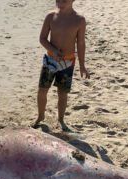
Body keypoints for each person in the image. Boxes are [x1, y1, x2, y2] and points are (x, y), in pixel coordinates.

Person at [33, 0, 90, 131]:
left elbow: (80, 44)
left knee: (63, 93)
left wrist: (82, 65)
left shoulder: (79, 20)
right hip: (50, 61)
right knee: (42, 90)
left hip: (68, 63)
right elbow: (42, 38)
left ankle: (61, 120)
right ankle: (40, 116)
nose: (60, 1)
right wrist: (53, 50)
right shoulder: (50, 16)